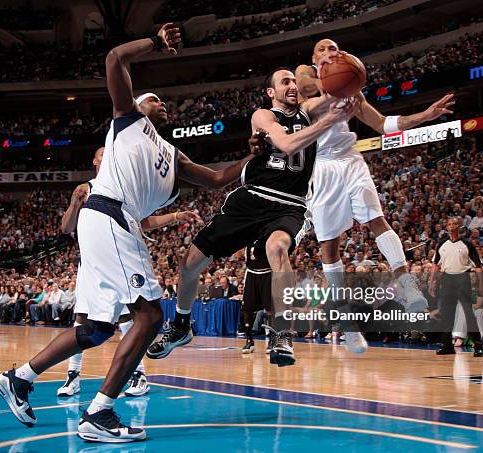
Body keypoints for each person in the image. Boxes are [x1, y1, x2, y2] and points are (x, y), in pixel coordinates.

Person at [0, 23, 263, 443]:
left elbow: (215, 179)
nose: (165, 104)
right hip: (108, 215)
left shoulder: (174, 155)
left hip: (117, 224)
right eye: (157, 99)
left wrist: (252, 156)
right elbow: (115, 58)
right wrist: (156, 42)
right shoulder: (127, 121)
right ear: (139, 104)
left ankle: (20, 378)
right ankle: (98, 413)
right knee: (151, 315)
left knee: (97, 328)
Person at [148, 66, 357, 367]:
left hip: (289, 204)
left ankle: (282, 332)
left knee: (277, 248)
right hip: (252, 197)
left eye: (295, 82)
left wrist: (341, 75)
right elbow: (286, 144)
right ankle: (181, 324)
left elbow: (338, 92)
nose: (293, 86)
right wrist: (330, 121)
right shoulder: (263, 116)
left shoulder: (308, 111)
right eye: (285, 82)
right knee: (190, 265)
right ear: (272, 92)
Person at [295, 39, 455, 353]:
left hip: (350, 159)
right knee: (329, 247)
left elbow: (382, 124)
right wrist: (330, 79)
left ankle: (408, 287)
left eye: (336, 48)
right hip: (321, 167)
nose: (331, 51)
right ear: (315, 57)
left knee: (377, 219)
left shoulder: (351, 87)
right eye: (324, 49)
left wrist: (424, 115)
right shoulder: (306, 74)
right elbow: (305, 83)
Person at [57, 146, 201, 398]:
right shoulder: (84, 189)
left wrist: (176, 215)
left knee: (127, 319)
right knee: (81, 319)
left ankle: (139, 376)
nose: (106, 158)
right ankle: (73, 376)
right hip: (90, 264)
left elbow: (143, 223)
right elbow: (66, 227)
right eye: (102, 155)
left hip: (117, 259)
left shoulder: (123, 187)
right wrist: (73, 204)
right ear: (94, 160)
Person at [429, 218, 483, 356]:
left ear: (459, 226)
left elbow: (477, 266)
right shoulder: (442, 243)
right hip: (447, 279)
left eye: (454, 224)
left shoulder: (467, 244)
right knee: (446, 314)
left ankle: (478, 345)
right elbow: (436, 264)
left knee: (468, 313)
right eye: (449, 224)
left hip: (463, 278)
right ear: (446, 227)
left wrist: (481, 284)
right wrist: (432, 282)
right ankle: (447, 345)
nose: (452, 226)